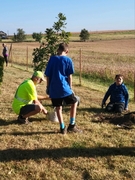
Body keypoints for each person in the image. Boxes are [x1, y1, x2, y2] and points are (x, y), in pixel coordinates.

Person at [45, 43, 82, 134]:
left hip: (53, 88)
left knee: (58, 107)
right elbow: (69, 76)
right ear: (67, 51)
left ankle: (62, 128)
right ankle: (72, 125)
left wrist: (48, 87)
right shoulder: (68, 60)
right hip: (64, 88)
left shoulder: (52, 59)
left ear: (58, 50)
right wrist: (70, 88)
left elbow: (48, 75)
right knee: (75, 102)